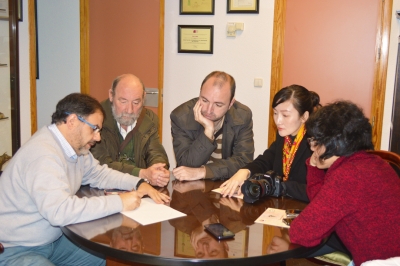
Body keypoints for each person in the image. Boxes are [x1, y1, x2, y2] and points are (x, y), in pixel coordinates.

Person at [0, 93, 170, 266]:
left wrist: (138, 183)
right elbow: (60, 212)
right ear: (73, 121)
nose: (98, 137)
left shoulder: (75, 148)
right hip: (15, 249)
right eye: (94, 128)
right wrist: (119, 202)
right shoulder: (43, 155)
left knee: (96, 254)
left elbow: (99, 174)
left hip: (52, 240)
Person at [288, 101, 400, 266]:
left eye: (316, 140)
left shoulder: (349, 175)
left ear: (337, 143)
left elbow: (302, 233)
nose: (312, 147)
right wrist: (314, 167)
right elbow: (324, 201)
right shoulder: (374, 163)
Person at [220, 85, 321, 202]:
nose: (278, 121)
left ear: (304, 117)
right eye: (275, 113)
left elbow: (317, 190)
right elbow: (266, 159)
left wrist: (281, 186)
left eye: (285, 115)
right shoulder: (284, 135)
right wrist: (245, 171)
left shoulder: (316, 143)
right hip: (282, 205)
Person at [170, 71, 254, 181]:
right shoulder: (181, 117)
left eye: (218, 104)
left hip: (225, 186)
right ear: (199, 93)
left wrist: (204, 172)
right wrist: (208, 133)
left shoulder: (242, 116)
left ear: (231, 103)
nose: (208, 110)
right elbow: (186, 165)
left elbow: (244, 162)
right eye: (204, 100)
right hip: (190, 188)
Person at [91, 74, 170, 187]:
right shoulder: (95, 120)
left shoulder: (149, 120)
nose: (129, 110)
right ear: (111, 95)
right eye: (123, 101)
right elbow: (99, 164)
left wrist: (158, 170)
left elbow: (156, 152)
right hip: (103, 188)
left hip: (140, 188)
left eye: (136, 102)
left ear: (143, 98)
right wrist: (142, 173)